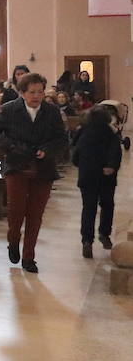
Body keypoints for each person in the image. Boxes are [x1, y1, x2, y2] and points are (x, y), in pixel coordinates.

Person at [0, 72, 67, 273]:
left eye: (40, 92)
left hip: (43, 167)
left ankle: (29, 256)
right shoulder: (9, 109)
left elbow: (62, 139)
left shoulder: (51, 111)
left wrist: (47, 150)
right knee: (16, 211)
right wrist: (11, 146)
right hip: (17, 165)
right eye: (32, 92)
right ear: (22, 93)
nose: (36, 96)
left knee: (35, 214)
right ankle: (13, 241)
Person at [72, 106, 121, 259]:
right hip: (106, 176)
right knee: (107, 205)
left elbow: (75, 153)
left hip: (87, 175)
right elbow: (115, 152)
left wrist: (82, 165)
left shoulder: (83, 131)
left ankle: (87, 240)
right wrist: (111, 166)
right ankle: (104, 233)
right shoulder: (110, 133)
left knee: (89, 207)